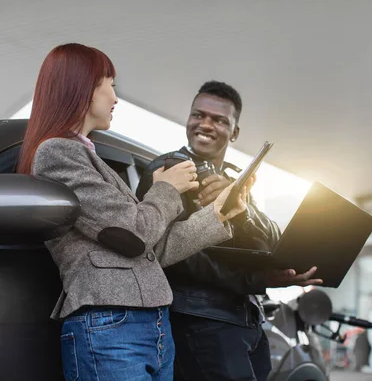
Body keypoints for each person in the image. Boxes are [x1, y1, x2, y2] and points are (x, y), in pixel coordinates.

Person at [17, 44, 251, 381]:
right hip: (110, 323)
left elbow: (150, 250)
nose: (115, 96)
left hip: (148, 325)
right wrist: (166, 189)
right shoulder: (58, 152)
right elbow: (134, 232)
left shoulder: (90, 158)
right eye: (109, 83)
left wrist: (217, 214)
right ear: (82, 88)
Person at [136, 80, 323, 381]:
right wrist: (257, 279)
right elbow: (172, 255)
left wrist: (242, 208)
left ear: (234, 132)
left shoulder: (236, 180)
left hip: (247, 320)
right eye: (198, 115)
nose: (205, 124)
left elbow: (270, 241)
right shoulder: (168, 170)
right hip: (198, 320)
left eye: (219, 120)